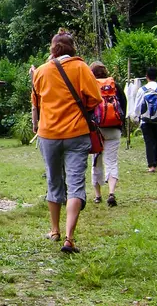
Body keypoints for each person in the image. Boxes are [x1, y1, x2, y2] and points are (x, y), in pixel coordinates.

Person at [31, 30, 102, 253]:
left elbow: (37, 102)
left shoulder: (41, 71)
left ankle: (54, 230)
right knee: (75, 184)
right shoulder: (81, 68)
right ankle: (69, 239)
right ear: (73, 48)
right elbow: (95, 99)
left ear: (52, 49)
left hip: (48, 134)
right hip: (76, 133)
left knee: (54, 181)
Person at [89, 62, 127, 207]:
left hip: (97, 129)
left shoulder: (91, 86)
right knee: (111, 161)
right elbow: (123, 105)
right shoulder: (115, 86)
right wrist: (120, 123)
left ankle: (98, 195)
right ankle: (111, 192)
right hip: (114, 129)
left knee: (96, 161)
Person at [133, 67, 157, 172]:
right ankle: (156, 163)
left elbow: (137, 106)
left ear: (146, 77)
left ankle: (151, 165)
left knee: (148, 142)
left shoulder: (142, 90)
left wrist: (136, 117)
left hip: (145, 120)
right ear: (156, 76)